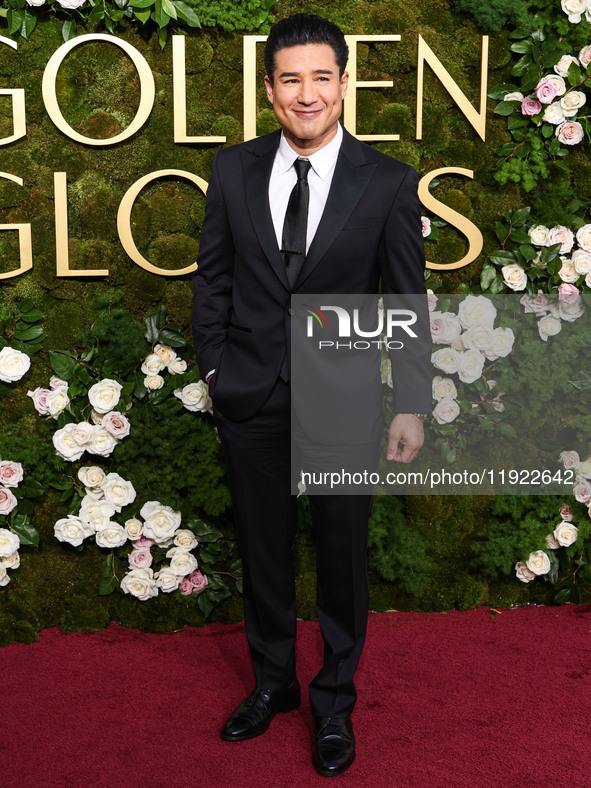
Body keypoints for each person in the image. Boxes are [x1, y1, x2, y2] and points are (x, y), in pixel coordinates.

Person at [191, 13, 431, 777]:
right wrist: (214, 372)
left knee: (339, 560)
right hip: (250, 396)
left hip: (344, 404)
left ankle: (332, 703)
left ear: (343, 83)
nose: (306, 93)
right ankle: (271, 686)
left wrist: (410, 402)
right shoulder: (230, 171)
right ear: (269, 90)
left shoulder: (387, 182)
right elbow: (213, 282)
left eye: (320, 77)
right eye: (290, 79)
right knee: (262, 554)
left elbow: (407, 300)